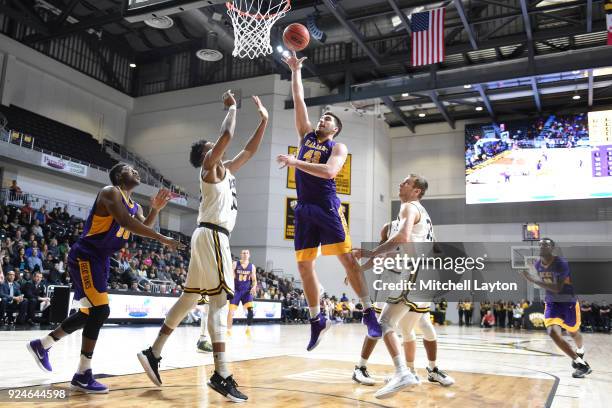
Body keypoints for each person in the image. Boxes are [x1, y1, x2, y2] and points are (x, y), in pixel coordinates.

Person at [137, 92, 268, 403]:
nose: (221, 147)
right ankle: (221, 374)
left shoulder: (227, 170)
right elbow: (228, 134)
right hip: (212, 236)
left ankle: (153, 352)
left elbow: (248, 150)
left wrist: (264, 121)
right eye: (214, 147)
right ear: (208, 154)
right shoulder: (209, 166)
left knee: (189, 298)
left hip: (208, 236)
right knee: (220, 302)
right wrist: (232, 107)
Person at [26, 163, 180, 394]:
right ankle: (82, 373)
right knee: (100, 311)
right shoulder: (110, 192)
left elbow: (137, 227)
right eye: (130, 169)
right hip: (86, 255)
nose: (136, 171)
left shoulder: (134, 205)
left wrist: (155, 210)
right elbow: (127, 223)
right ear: (119, 175)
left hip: (101, 259)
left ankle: (43, 345)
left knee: (90, 311)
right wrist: (162, 238)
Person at [279, 51, 381, 352]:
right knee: (303, 267)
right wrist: (296, 71)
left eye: (328, 119)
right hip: (304, 209)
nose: (322, 119)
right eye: (322, 116)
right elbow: (299, 101)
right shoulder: (305, 136)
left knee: (348, 261)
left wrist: (295, 163)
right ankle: (316, 319)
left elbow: (329, 172)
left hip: (327, 206)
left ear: (334, 128)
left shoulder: (338, 146)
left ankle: (368, 312)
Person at [356, 175, 454, 398]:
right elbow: (435, 247)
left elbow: (403, 236)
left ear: (417, 190)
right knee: (407, 326)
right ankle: (410, 370)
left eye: (406, 183)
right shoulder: (424, 216)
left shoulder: (408, 208)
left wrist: (371, 253)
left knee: (385, 322)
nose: (401, 184)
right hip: (422, 274)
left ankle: (403, 372)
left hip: (412, 271)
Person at [520, 238, 591, 378]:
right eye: (540, 244)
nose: (541, 246)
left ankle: (580, 350)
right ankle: (582, 364)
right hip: (552, 303)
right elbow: (542, 282)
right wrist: (531, 274)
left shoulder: (561, 263)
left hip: (568, 303)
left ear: (552, 248)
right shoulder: (538, 264)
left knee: (573, 333)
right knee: (552, 332)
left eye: (545, 244)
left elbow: (558, 288)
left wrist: (533, 279)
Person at [227, 249, 257, 337]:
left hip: (246, 291)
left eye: (247, 253)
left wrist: (254, 286)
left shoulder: (252, 267)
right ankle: (229, 330)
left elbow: (254, 280)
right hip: (236, 290)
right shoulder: (235, 264)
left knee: (251, 311)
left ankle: (248, 328)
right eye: (243, 253)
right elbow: (230, 275)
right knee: (231, 312)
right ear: (241, 254)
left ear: (249, 255)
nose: (245, 254)